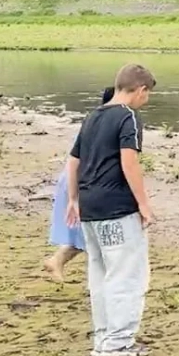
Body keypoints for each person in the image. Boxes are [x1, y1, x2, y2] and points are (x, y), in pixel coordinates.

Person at [65, 64, 157, 356]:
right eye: (148, 95)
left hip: (90, 208)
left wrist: (73, 199)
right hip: (117, 208)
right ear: (140, 89)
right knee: (127, 275)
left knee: (101, 275)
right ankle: (118, 343)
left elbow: (73, 161)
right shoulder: (127, 117)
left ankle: (104, 338)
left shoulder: (92, 116)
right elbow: (129, 162)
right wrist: (143, 203)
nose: (146, 101)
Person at [44, 86, 114, 281]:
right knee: (93, 234)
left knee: (86, 234)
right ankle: (61, 262)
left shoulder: (94, 120)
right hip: (82, 181)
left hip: (74, 178)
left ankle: (58, 261)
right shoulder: (109, 124)